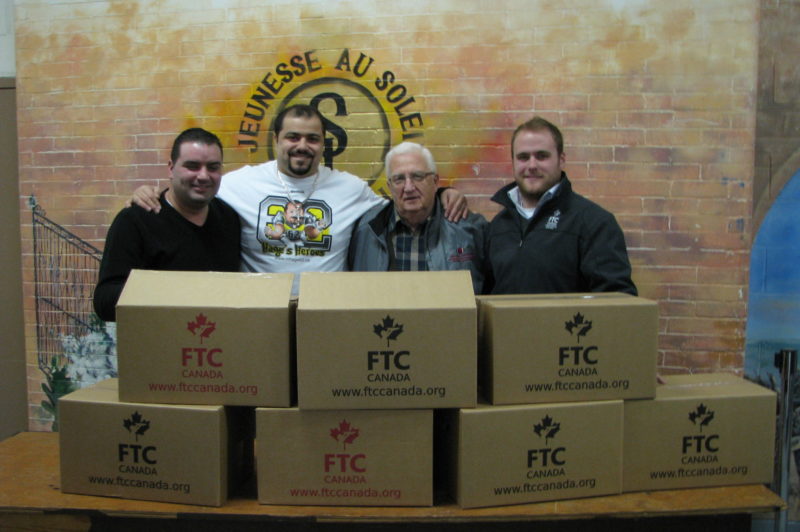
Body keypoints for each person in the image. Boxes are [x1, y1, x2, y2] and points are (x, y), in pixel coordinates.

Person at [132, 104, 467, 294]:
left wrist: (441, 192)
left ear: (324, 144)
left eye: (312, 138)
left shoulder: (350, 188)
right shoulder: (237, 184)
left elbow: (404, 200)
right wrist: (150, 194)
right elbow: (193, 190)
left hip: (324, 319)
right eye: (292, 136)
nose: (302, 145)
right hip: (261, 318)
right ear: (276, 139)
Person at [93, 128, 241, 321]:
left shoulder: (228, 218)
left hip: (217, 342)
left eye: (213, 167)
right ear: (171, 168)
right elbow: (104, 301)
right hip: (159, 344)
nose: (204, 176)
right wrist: (172, 289)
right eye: (192, 166)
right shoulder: (136, 220)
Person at [485, 116, 637, 295]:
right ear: (513, 162)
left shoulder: (593, 222)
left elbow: (617, 301)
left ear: (561, 159)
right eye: (523, 157)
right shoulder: (498, 226)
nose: (532, 165)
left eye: (542, 156)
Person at [348, 142, 487, 293]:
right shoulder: (365, 231)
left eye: (417, 176)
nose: (408, 187)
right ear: (390, 187)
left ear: (435, 182)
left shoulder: (470, 229)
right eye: (399, 179)